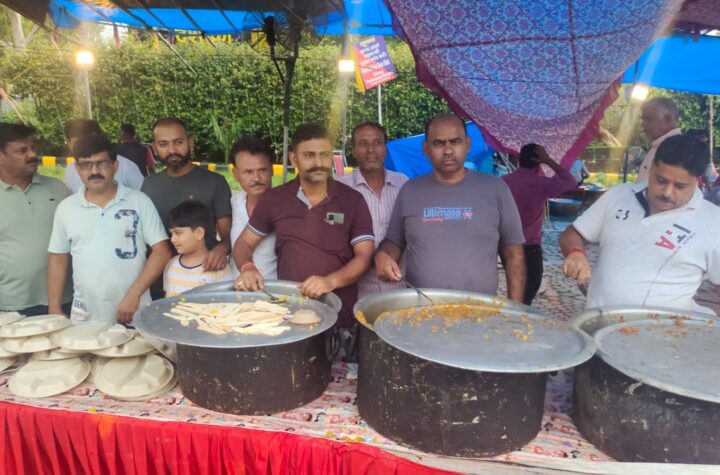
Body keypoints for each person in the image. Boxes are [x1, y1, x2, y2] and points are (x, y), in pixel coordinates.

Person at [233, 123, 374, 329]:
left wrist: (330, 281)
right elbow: (243, 243)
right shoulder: (275, 199)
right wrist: (247, 268)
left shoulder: (352, 200)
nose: (319, 163)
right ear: (294, 159)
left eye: (324, 155)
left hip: (338, 314)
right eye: (309, 155)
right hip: (289, 314)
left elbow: (364, 256)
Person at [561, 134, 720, 314]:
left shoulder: (713, 221)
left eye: (680, 186)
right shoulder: (619, 195)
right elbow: (572, 235)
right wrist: (575, 252)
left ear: (697, 180)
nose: (667, 192)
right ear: (651, 168)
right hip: (598, 322)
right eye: (661, 180)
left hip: (666, 329)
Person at [375, 113, 526, 301]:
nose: (447, 150)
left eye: (455, 142)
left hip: (481, 311)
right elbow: (394, 241)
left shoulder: (496, 189)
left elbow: (514, 254)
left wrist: (515, 308)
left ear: (467, 144)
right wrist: (384, 255)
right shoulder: (410, 191)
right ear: (426, 148)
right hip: (421, 311)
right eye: (439, 143)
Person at [47, 134, 171, 323]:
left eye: (102, 163)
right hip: (85, 317)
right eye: (86, 164)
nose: (94, 171)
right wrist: (54, 307)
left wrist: (134, 294)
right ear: (77, 169)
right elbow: (58, 259)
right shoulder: (66, 208)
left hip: (135, 311)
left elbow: (162, 251)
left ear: (115, 166)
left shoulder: (139, 201)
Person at [142, 117, 232, 297]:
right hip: (161, 279)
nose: (172, 150)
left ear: (190, 143)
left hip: (206, 276)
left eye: (178, 142)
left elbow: (228, 234)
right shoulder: (149, 186)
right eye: (163, 144)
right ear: (154, 148)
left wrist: (222, 248)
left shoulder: (214, 182)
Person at [0, 123, 72, 316]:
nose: (32, 154)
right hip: (12, 305)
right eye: (21, 150)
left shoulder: (59, 189)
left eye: (33, 148)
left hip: (65, 300)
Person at [338, 122, 408, 298]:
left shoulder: (403, 184)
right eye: (363, 144)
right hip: (358, 292)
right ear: (353, 150)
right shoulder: (340, 188)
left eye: (377, 142)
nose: (371, 150)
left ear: (385, 148)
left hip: (401, 290)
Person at [502, 144, 577, 305]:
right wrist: (548, 161)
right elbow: (570, 182)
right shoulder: (540, 184)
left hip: (507, 247)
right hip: (530, 248)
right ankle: (516, 319)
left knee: (514, 291)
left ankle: (512, 316)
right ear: (538, 162)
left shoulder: (503, 182)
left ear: (520, 159)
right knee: (525, 296)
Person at [229, 135, 277, 279]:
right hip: (236, 290)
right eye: (248, 172)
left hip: (277, 290)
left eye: (262, 170)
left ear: (272, 170)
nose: (256, 178)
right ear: (235, 174)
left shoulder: (285, 206)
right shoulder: (232, 203)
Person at [164, 201, 233, 297]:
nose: (173, 239)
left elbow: (228, 301)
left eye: (178, 233)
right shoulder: (171, 265)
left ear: (199, 233)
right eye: (171, 234)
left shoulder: (219, 268)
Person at [63, 119, 144, 192]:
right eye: (77, 144)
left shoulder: (125, 166)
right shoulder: (70, 170)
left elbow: (144, 194)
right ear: (69, 144)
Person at [636, 98, 682, 182]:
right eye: (643, 119)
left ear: (667, 120)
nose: (643, 124)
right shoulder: (659, 145)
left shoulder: (676, 150)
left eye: (648, 119)